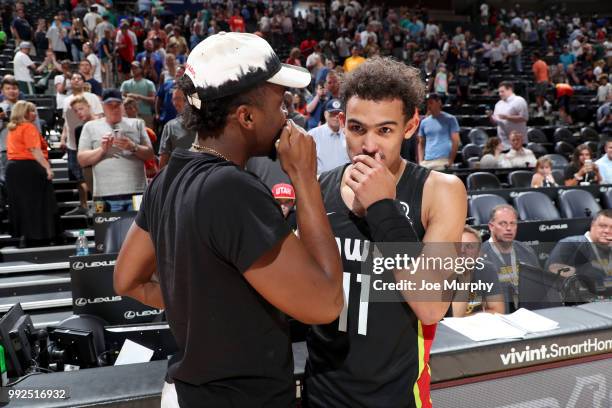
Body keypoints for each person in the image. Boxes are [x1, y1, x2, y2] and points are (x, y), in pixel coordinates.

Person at [113, 32, 343, 406]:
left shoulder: (167, 178)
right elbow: (326, 304)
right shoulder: (234, 190)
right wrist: (304, 178)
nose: (288, 115)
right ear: (247, 116)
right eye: (280, 104)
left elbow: (126, 280)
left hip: (187, 392)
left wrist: (202, 308)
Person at [304, 57, 466, 407]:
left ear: (410, 127)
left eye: (385, 130)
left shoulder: (440, 190)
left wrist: (381, 207)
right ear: (343, 124)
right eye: (358, 129)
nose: (369, 145)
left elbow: (431, 306)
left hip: (397, 396)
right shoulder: (320, 187)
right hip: (323, 393)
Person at [77, 89, 154, 213]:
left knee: (141, 231)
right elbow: (82, 160)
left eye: (117, 105)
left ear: (122, 105)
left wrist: (133, 146)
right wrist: (102, 149)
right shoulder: (90, 127)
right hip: (104, 194)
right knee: (107, 232)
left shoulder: (137, 124)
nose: (114, 108)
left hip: (137, 192)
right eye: (109, 105)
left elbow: (150, 154)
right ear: (103, 106)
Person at [5, 101, 57, 247]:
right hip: (29, 168)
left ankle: (25, 236)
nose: (35, 114)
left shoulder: (13, 128)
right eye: (32, 111)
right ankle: (40, 236)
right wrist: (47, 168)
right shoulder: (28, 127)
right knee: (37, 204)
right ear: (24, 113)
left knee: (22, 205)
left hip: (13, 170)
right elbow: (35, 150)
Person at [480, 205, 540, 311]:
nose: (509, 228)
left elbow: (538, 289)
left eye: (512, 223)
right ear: (491, 226)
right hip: (496, 318)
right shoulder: (479, 255)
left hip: (528, 315)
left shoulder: (527, 251)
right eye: (503, 223)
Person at [61, 72, 103, 215]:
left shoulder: (92, 98)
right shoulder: (67, 100)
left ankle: (97, 208)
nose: (76, 80)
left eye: (79, 78)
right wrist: (63, 138)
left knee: (93, 179)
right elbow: (66, 122)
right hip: (74, 142)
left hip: (92, 144)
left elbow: (100, 116)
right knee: (78, 176)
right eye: (73, 78)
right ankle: (83, 205)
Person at [545, 209, 612, 291]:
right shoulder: (570, 243)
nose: (607, 231)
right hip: (579, 299)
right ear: (592, 225)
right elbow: (550, 271)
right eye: (602, 226)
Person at [451, 225, 505, 317]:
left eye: (469, 246)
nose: (462, 250)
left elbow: (498, 310)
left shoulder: (487, 269)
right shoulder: (440, 274)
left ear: (479, 253)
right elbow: (456, 317)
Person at [417, 92, 460, 170]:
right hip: (427, 161)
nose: (429, 105)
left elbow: (456, 141)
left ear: (439, 102)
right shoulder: (424, 122)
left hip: (443, 160)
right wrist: (420, 161)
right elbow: (421, 143)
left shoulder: (450, 119)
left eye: (431, 103)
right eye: (427, 103)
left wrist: (450, 160)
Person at [308, 98, 350, 174]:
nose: (336, 117)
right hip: (321, 181)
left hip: (345, 180)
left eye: (339, 114)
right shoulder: (313, 134)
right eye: (332, 114)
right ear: (325, 114)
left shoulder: (349, 134)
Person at [158, 88, 196, 168]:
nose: (175, 103)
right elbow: (163, 159)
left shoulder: (206, 124)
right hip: (180, 176)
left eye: (178, 99)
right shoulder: (170, 126)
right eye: (173, 99)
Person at [490, 81, 529, 149]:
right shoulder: (498, 104)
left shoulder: (519, 100)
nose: (500, 94)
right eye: (499, 92)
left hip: (518, 142)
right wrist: (490, 117)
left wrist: (507, 117)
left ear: (510, 89)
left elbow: (524, 118)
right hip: (503, 142)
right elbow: (495, 122)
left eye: (502, 91)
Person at [120, 61, 156, 128]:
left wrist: (139, 96)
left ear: (141, 69)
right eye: (132, 68)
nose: (133, 70)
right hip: (129, 116)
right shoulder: (125, 84)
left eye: (135, 68)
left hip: (145, 114)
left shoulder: (149, 83)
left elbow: (153, 100)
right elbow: (121, 98)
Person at [531, 51, 550, 116]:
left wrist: (536, 81)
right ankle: (547, 104)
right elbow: (548, 71)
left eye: (532, 56)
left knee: (537, 97)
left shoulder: (535, 64)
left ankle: (540, 111)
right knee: (542, 96)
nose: (531, 58)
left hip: (540, 81)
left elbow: (535, 74)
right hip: (546, 80)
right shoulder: (544, 63)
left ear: (535, 57)